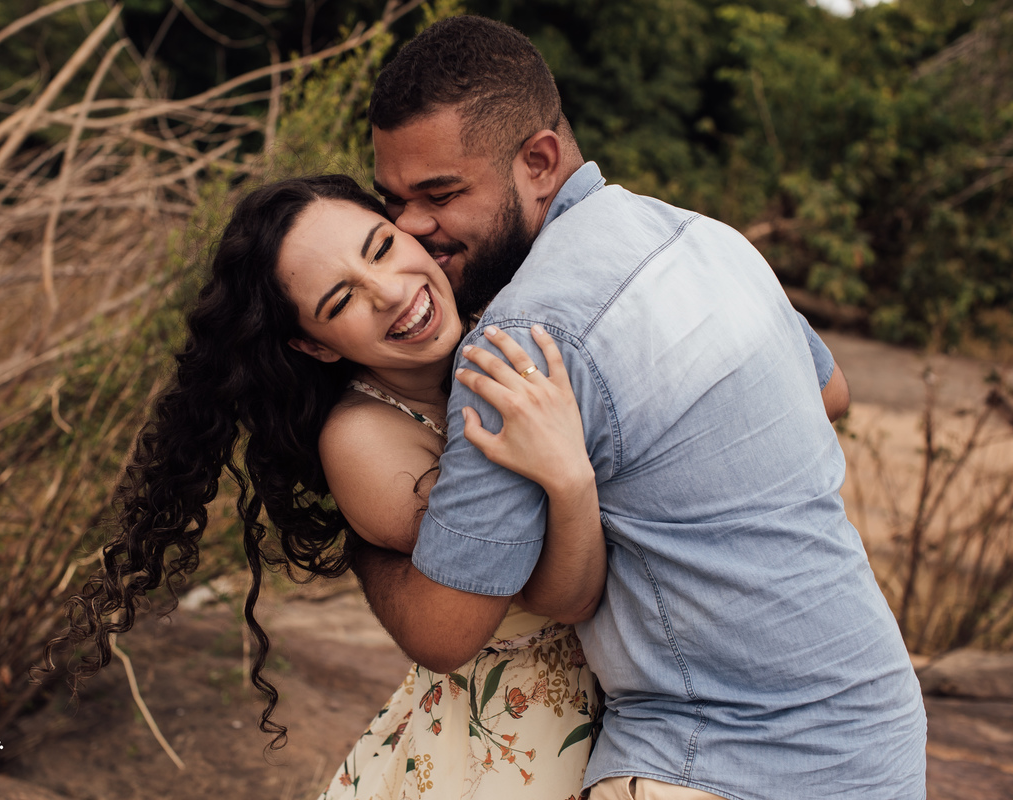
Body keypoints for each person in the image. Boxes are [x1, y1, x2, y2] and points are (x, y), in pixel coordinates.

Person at [353, 15, 926, 800]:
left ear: (540, 161)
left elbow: (444, 630)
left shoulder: (521, 340)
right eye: (394, 200)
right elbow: (831, 391)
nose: (412, 226)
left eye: (440, 194)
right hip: (875, 729)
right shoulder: (704, 236)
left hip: (714, 757)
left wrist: (353, 537)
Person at [48, 175, 606, 798]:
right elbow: (564, 596)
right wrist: (570, 480)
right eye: (341, 301)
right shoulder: (362, 441)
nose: (392, 293)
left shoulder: (502, 310)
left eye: (381, 248)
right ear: (315, 344)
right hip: (515, 737)